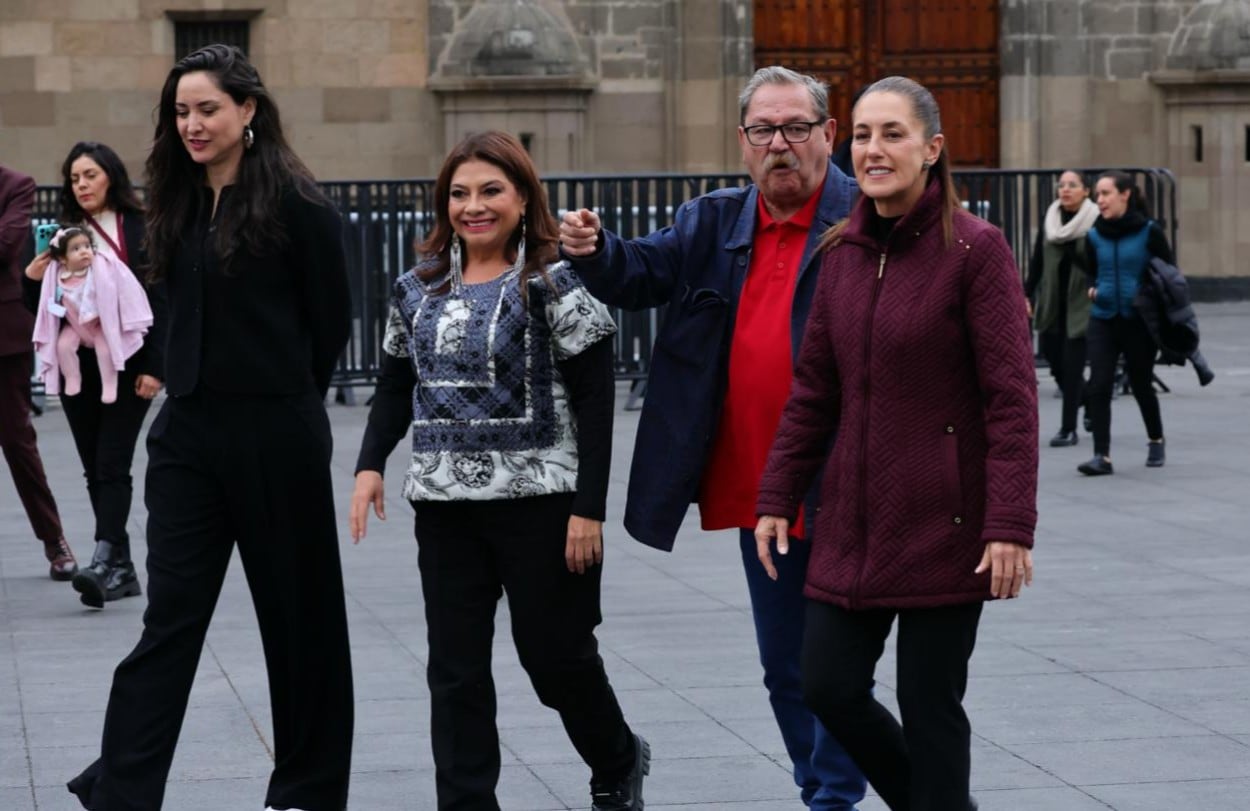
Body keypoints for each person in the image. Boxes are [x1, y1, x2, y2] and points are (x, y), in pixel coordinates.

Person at [559, 66, 865, 809]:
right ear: (742, 141)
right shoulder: (711, 221)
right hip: (758, 490)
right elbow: (639, 273)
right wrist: (595, 249)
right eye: (764, 130)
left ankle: (835, 795)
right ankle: (817, 782)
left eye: (796, 127)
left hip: (851, 479)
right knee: (784, 665)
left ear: (828, 134)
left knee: (836, 663)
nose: (780, 144)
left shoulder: (866, 219)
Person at [68, 44, 354, 811]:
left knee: (300, 624)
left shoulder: (300, 204)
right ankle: (123, 791)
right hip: (188, 435)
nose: (191, 123)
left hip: (277, 434)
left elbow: (331, 323)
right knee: (169, 621)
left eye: (207, 109)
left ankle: (306, 788)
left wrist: (289, 401)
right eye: (181, 111)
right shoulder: (175, 199)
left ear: (248, 111)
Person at [754, 76, 1038, 811]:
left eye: (893, 135)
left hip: (947, 522)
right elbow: (815, 389)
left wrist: (1010, 524)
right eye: (864, 136)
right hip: (853, 517)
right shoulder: (841, 250)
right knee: (829, 684)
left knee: (929, 703)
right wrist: (778, 494)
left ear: (932, 148)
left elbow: (1011, 399)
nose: (874, 150)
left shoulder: (977, 252)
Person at [351, 130, 648, 811]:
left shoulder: (556, 281)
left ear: (522, 198)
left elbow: (597, 397)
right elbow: (396, 384)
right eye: (459, 193)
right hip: (445, 506)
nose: (473, 205)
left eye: (490, 190)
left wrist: (589, 508)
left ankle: (617, 755)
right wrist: (371, 464)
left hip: (544, 504)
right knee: (454, 673)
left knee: (557, 658)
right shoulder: (416, 287)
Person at [22, 141, 166, 608]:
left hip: (127, 360)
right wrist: (33, 276)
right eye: (74, 178)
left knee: (111, 463)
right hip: (76, 365)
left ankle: (107, 559)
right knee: (93, 468)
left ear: (112, 178)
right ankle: (117, 566)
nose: (81, 185)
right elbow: (45, 309)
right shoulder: (62, 235)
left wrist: (154, 368)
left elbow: (161, 298)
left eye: (90, 175)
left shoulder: (140, 228)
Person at [0, 162, 77, 581]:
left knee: (17, 442)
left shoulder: (16, 184)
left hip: (3, 337)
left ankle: (54, 539)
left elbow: (7, 244)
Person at [1077, 170, 1173, 476]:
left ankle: (1156, 439)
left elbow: (1169, 272)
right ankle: (1101, 456)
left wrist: (1150, 295)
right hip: (1103, 317)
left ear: (1125, 195)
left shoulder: (1149, 231)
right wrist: (1093, 287)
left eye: (1105, 194)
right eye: (1098, 195)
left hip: (1137, 320)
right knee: (1100, 384)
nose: (1099, 200)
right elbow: (1091, 269)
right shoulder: (1094, 234)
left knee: (1142, 383)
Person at [31, 226, 152, 404]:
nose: (84, 252)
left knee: (106, 350)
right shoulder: (57, 278)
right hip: (74, 325)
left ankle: (110, 384)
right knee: (63, 347)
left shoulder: (100, 272)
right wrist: (57, 310)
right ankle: (73, 378)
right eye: (76, 249)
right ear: (63, 258)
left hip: (98, 325)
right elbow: (51, 304)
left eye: (87, 246)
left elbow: (114, 292)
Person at [1025, 170, 1098, 447]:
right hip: (1053, 302)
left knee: (1072, 365)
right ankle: (1090, 398)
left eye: (1072, 185)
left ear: (1086, 191)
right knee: (1054, 361)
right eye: (1062, 185)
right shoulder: (1052, 219)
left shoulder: (1095, 221)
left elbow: (1098, 263)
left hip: (1081, 303)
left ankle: (1069, 429)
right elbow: (1038, 261)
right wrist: (1026, 293)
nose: (1065, 190)